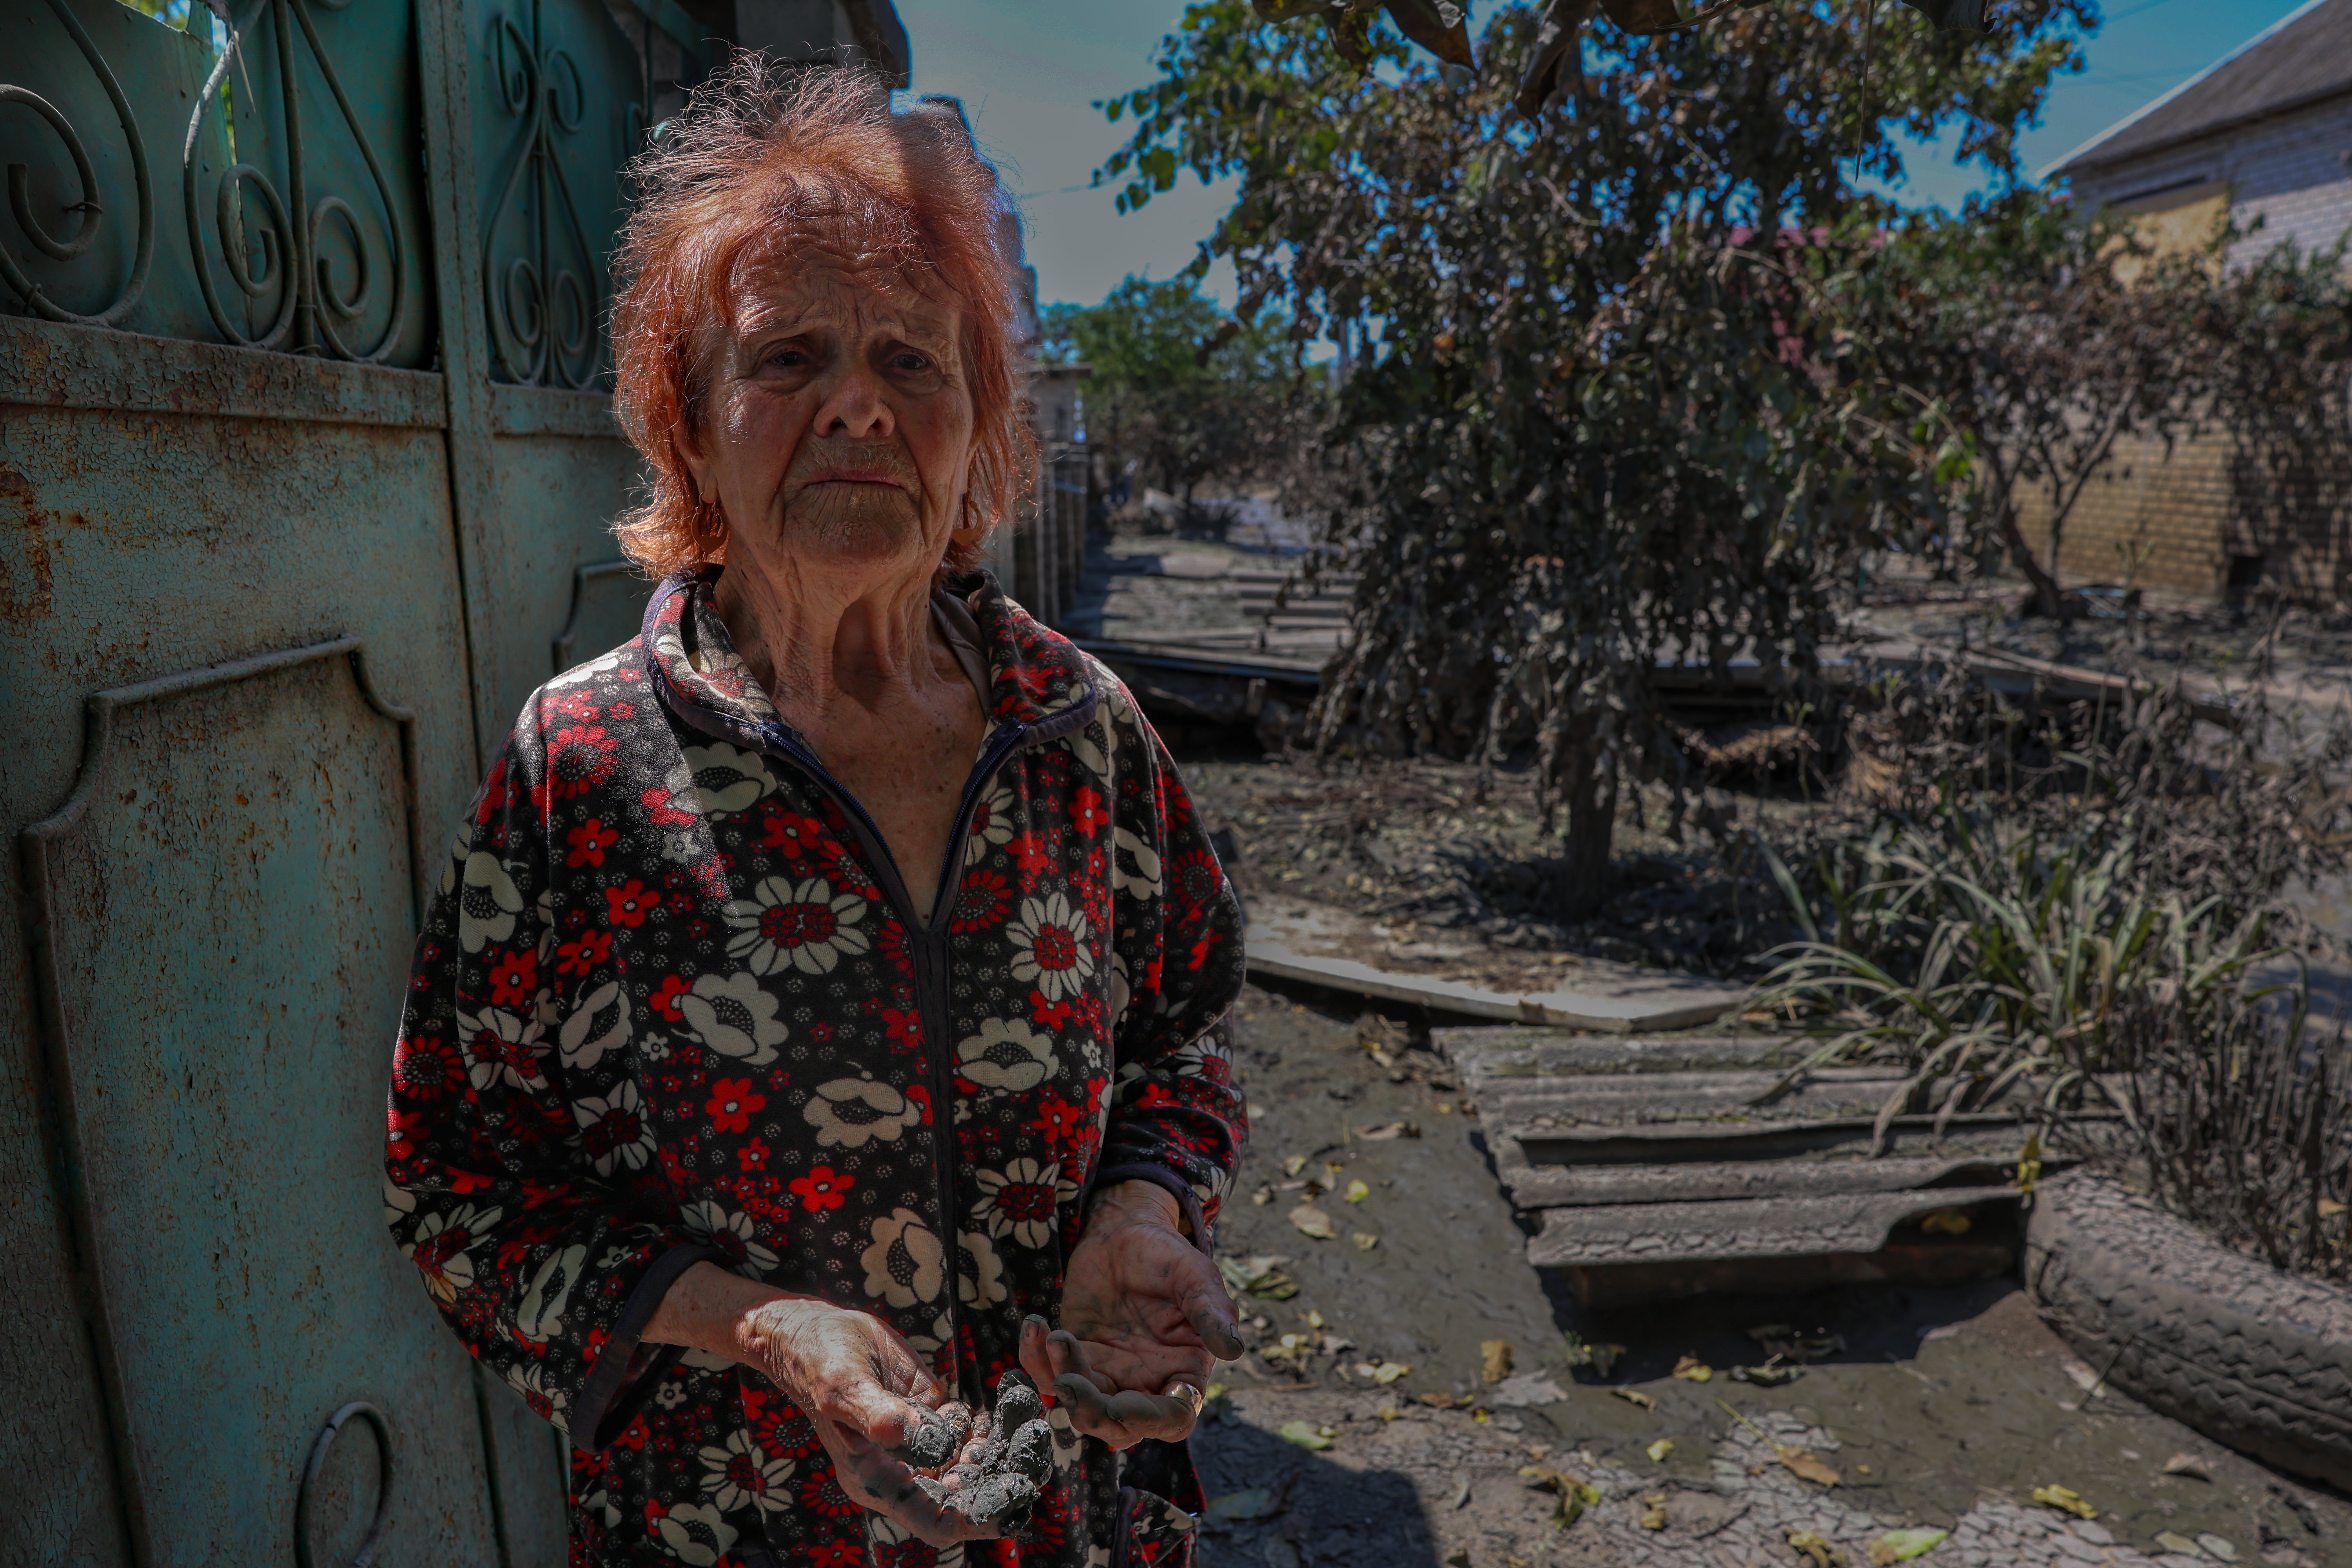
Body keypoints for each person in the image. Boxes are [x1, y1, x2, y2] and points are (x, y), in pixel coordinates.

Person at [383, 59, 1247, 1568]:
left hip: (1071, 1521)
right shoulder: (581, 764)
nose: (858, 400)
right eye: (788, 357)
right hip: (731, 1529)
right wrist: (762, 1328)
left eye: (915, 361)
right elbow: (460, 1184)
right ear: (690, 425)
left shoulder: (1082, 733)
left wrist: (1147, 1216)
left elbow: (1183, 1035)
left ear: (977, 429)